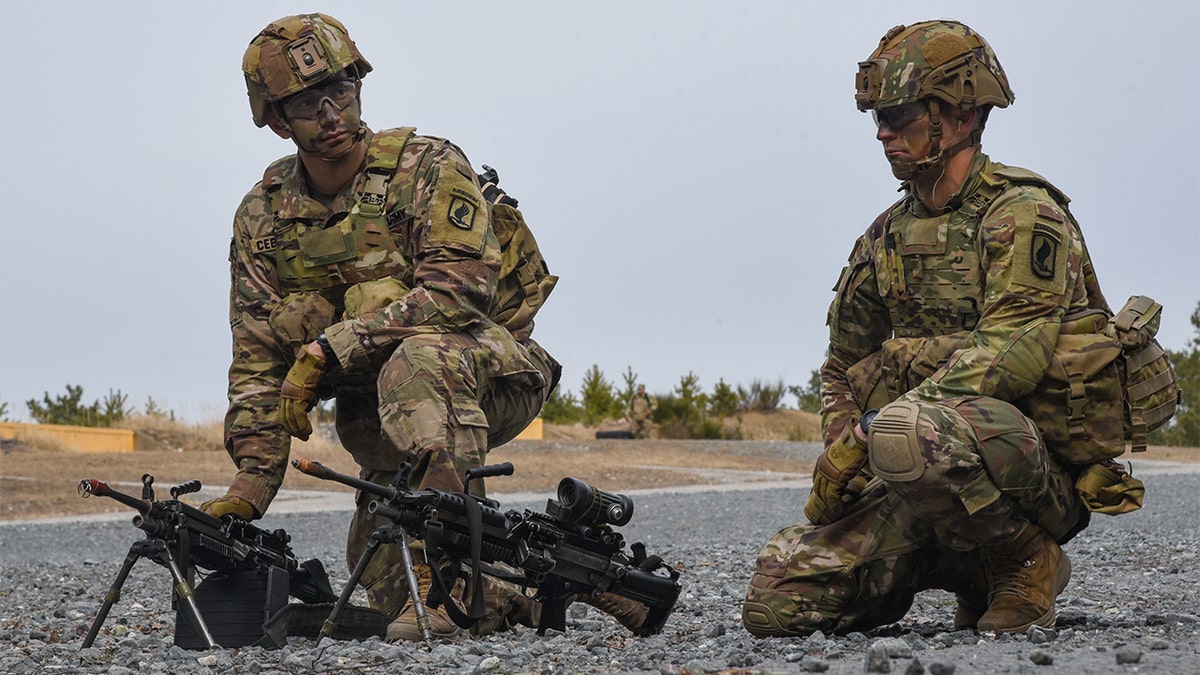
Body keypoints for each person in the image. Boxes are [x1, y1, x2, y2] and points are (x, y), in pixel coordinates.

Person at [202, 13, 644, 641]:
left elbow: (459, 290)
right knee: (379, 588)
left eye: (342, 90)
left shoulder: (427, 166)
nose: (331, 112)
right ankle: (566, 586)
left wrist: (335, 345)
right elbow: (255, 356)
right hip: (385, 422)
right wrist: (249, 485)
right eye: (307, 102)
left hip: (488, 367)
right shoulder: (263, 216)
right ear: (276, 119)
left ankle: (447, 584)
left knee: (419, 360)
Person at [743, 20, 1138, 637]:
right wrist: (840, 446)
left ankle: (1024, 562)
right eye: (877, 116)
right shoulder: (885, 237)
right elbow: (842, 366)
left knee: (906, 428)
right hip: (914, 465)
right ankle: (950, 568)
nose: (883, 132)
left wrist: (872, 432)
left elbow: (1013, 354)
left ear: (961, 115)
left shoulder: (1024, 214)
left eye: (900, 114)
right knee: (777, 600)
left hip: (1029, 473)